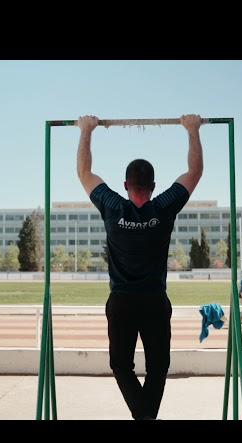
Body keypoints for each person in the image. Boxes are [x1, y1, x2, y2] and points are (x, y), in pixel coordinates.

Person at [77, 114, 203, 420]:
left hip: (121, 301)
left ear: (125, 185)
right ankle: (146, 417)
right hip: (154, 303)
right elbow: (195, 171)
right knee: (159, 368)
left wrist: (86, 131)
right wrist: (192, 130)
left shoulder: (112, 205)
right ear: (153, 185)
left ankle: (144, 417)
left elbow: (84, 172)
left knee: (121, 366)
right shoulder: (163, 208)